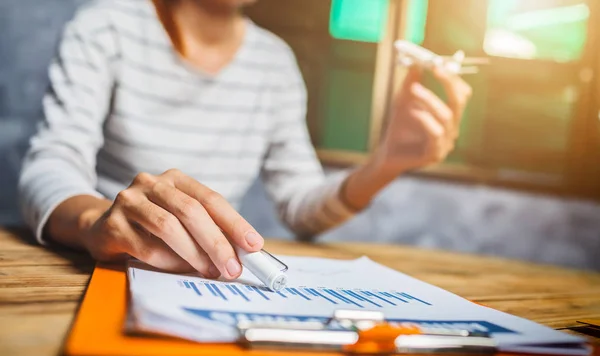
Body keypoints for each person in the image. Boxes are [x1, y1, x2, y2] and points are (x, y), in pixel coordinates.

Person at [19, 0, 472, 280]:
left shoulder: (274, 62)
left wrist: (386, 164)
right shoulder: (106, 26)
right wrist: (98, 223)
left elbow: (301, 208)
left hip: (208, 278)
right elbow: (52, 163)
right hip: (103, 268)